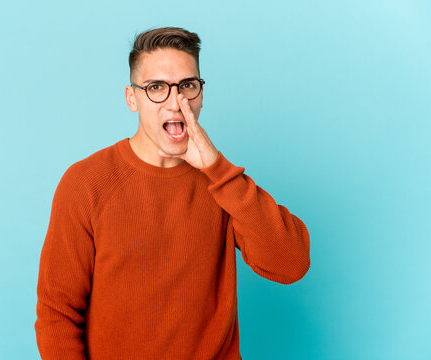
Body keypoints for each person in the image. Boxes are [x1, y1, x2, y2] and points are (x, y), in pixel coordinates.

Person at [34, 26, 310, 360]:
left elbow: (291, 263)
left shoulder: (222, 184)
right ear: (131, 97)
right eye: (156, 88)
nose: (176, 103)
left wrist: (218, 170)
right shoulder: (85, 183)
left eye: (187, 86)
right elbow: (57, 313)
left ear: (201, 95)